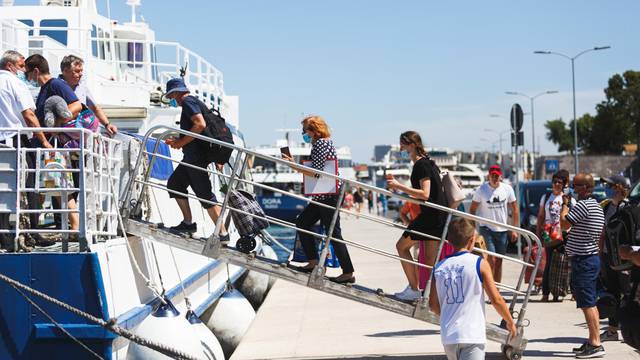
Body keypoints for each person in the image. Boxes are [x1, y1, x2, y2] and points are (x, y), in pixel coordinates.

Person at [429, 217, 517, 360]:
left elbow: (433, 305)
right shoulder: (479, 263)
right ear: (472, 240)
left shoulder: (439, 267)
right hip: (471, 334)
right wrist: (510, 321)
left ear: (449, 241)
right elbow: (496, 299)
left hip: (449, 336)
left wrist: (449, 313)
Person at [282, 115, 355, 284]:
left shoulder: (322, 144)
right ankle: (314, 261)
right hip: (324, 194)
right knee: (303, 222)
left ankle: (348, 272)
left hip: (329, 194)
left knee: (333, 233)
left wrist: (294, 166)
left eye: (304, 130)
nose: (303, 134)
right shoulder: (321, 143)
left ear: (314, 131)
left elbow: (317, 172)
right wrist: (295, 164)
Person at [162, 78, 229, 242]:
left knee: (205, 195)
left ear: (176, 93)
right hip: (192, 156)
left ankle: (222, 234)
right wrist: (179, 141)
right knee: (175, 184)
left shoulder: (188, 101)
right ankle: (188, 223)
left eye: (171, 96)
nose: (172, 100)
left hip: (196, 158)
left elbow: (199, 124)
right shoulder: (194, 102)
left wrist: (179, 143)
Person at [0, 50, 52, 247]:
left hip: (2, 140)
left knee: (3, 189)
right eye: (22, 66)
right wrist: (44, 141)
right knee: (30, 186)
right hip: (16, 140)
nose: (24, 70)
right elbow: (29, 115)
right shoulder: (15, 83)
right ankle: (33, 232)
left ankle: (4, 234)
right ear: (10, 66)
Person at [387, 131, 447, 301]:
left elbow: (425, 194)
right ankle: (432, 296)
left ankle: (414, 289)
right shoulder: (429, 163)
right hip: (438, 216)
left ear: (412, 145)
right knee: (429, 260)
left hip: (430, 216)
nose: (401, 148)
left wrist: (399, 186)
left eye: (403, 144)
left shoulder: (421, 165)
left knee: (401, 246)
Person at [25, 54, 82, 232]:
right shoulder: (44, 88)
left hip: (54, 145)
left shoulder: (56, 84)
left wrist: (55, 125)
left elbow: (76, 105)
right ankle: (37, 225)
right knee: (54, 188)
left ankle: (75, 228)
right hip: (46, 145)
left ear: (35, 71)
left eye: (27, 74)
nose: (27, 78)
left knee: (60, 187)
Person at [560, 173, 606, 358]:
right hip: (588, 259)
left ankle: (595, 343)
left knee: (587, 302)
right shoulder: (593, 205)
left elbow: (564, 224)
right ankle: (592, 340)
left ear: (586, 188)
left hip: (584, 260)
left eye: (576, 185)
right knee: (589, 301)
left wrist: (564, 204)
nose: (573, 188)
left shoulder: (585, 205)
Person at [469, 165, 518, 284]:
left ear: (500, 177)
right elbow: (472, 209)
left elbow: (515, 209)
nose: (495, 178)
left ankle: (497, 289)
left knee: (499, 262)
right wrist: (473, 229)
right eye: (492, 176)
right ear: (488, 176)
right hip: (486, 228)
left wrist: (514, 229)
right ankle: (490, 287)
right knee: (492, 259)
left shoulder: (507, 189)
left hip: (502, 230)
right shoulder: (481, 190)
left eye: (497, 176)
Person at [598, 175, 631, 343]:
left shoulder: (629, 208)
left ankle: (630, 329)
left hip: (625, 259)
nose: (606, 188)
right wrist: (599, 254)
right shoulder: (606, 207)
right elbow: (603, 233)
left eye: (609, 185)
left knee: (628, 293)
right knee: (612, 294)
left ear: (619, 187)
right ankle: (612, 330)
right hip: (608, 257)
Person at [537, 170, 574, 302]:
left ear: (564, 184)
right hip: (549, 235)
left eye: (560, 182)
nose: (557, 184)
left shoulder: (568, 199)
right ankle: (546, 293)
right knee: (549, 264)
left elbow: (573, 218)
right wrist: (537, 236)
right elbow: (541, 216)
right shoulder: (546, 197)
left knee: (565, 264)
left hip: (564, 235)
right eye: (555, 182)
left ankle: (563, 292)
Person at [59, 55, 117, 136]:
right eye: (77, 71)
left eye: (81, 71)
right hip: (62, 135)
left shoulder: (82, 87)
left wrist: (107, 124)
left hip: (83, 133)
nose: (81, 74)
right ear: (65, 71)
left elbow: (95, 108)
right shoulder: (55, 86)